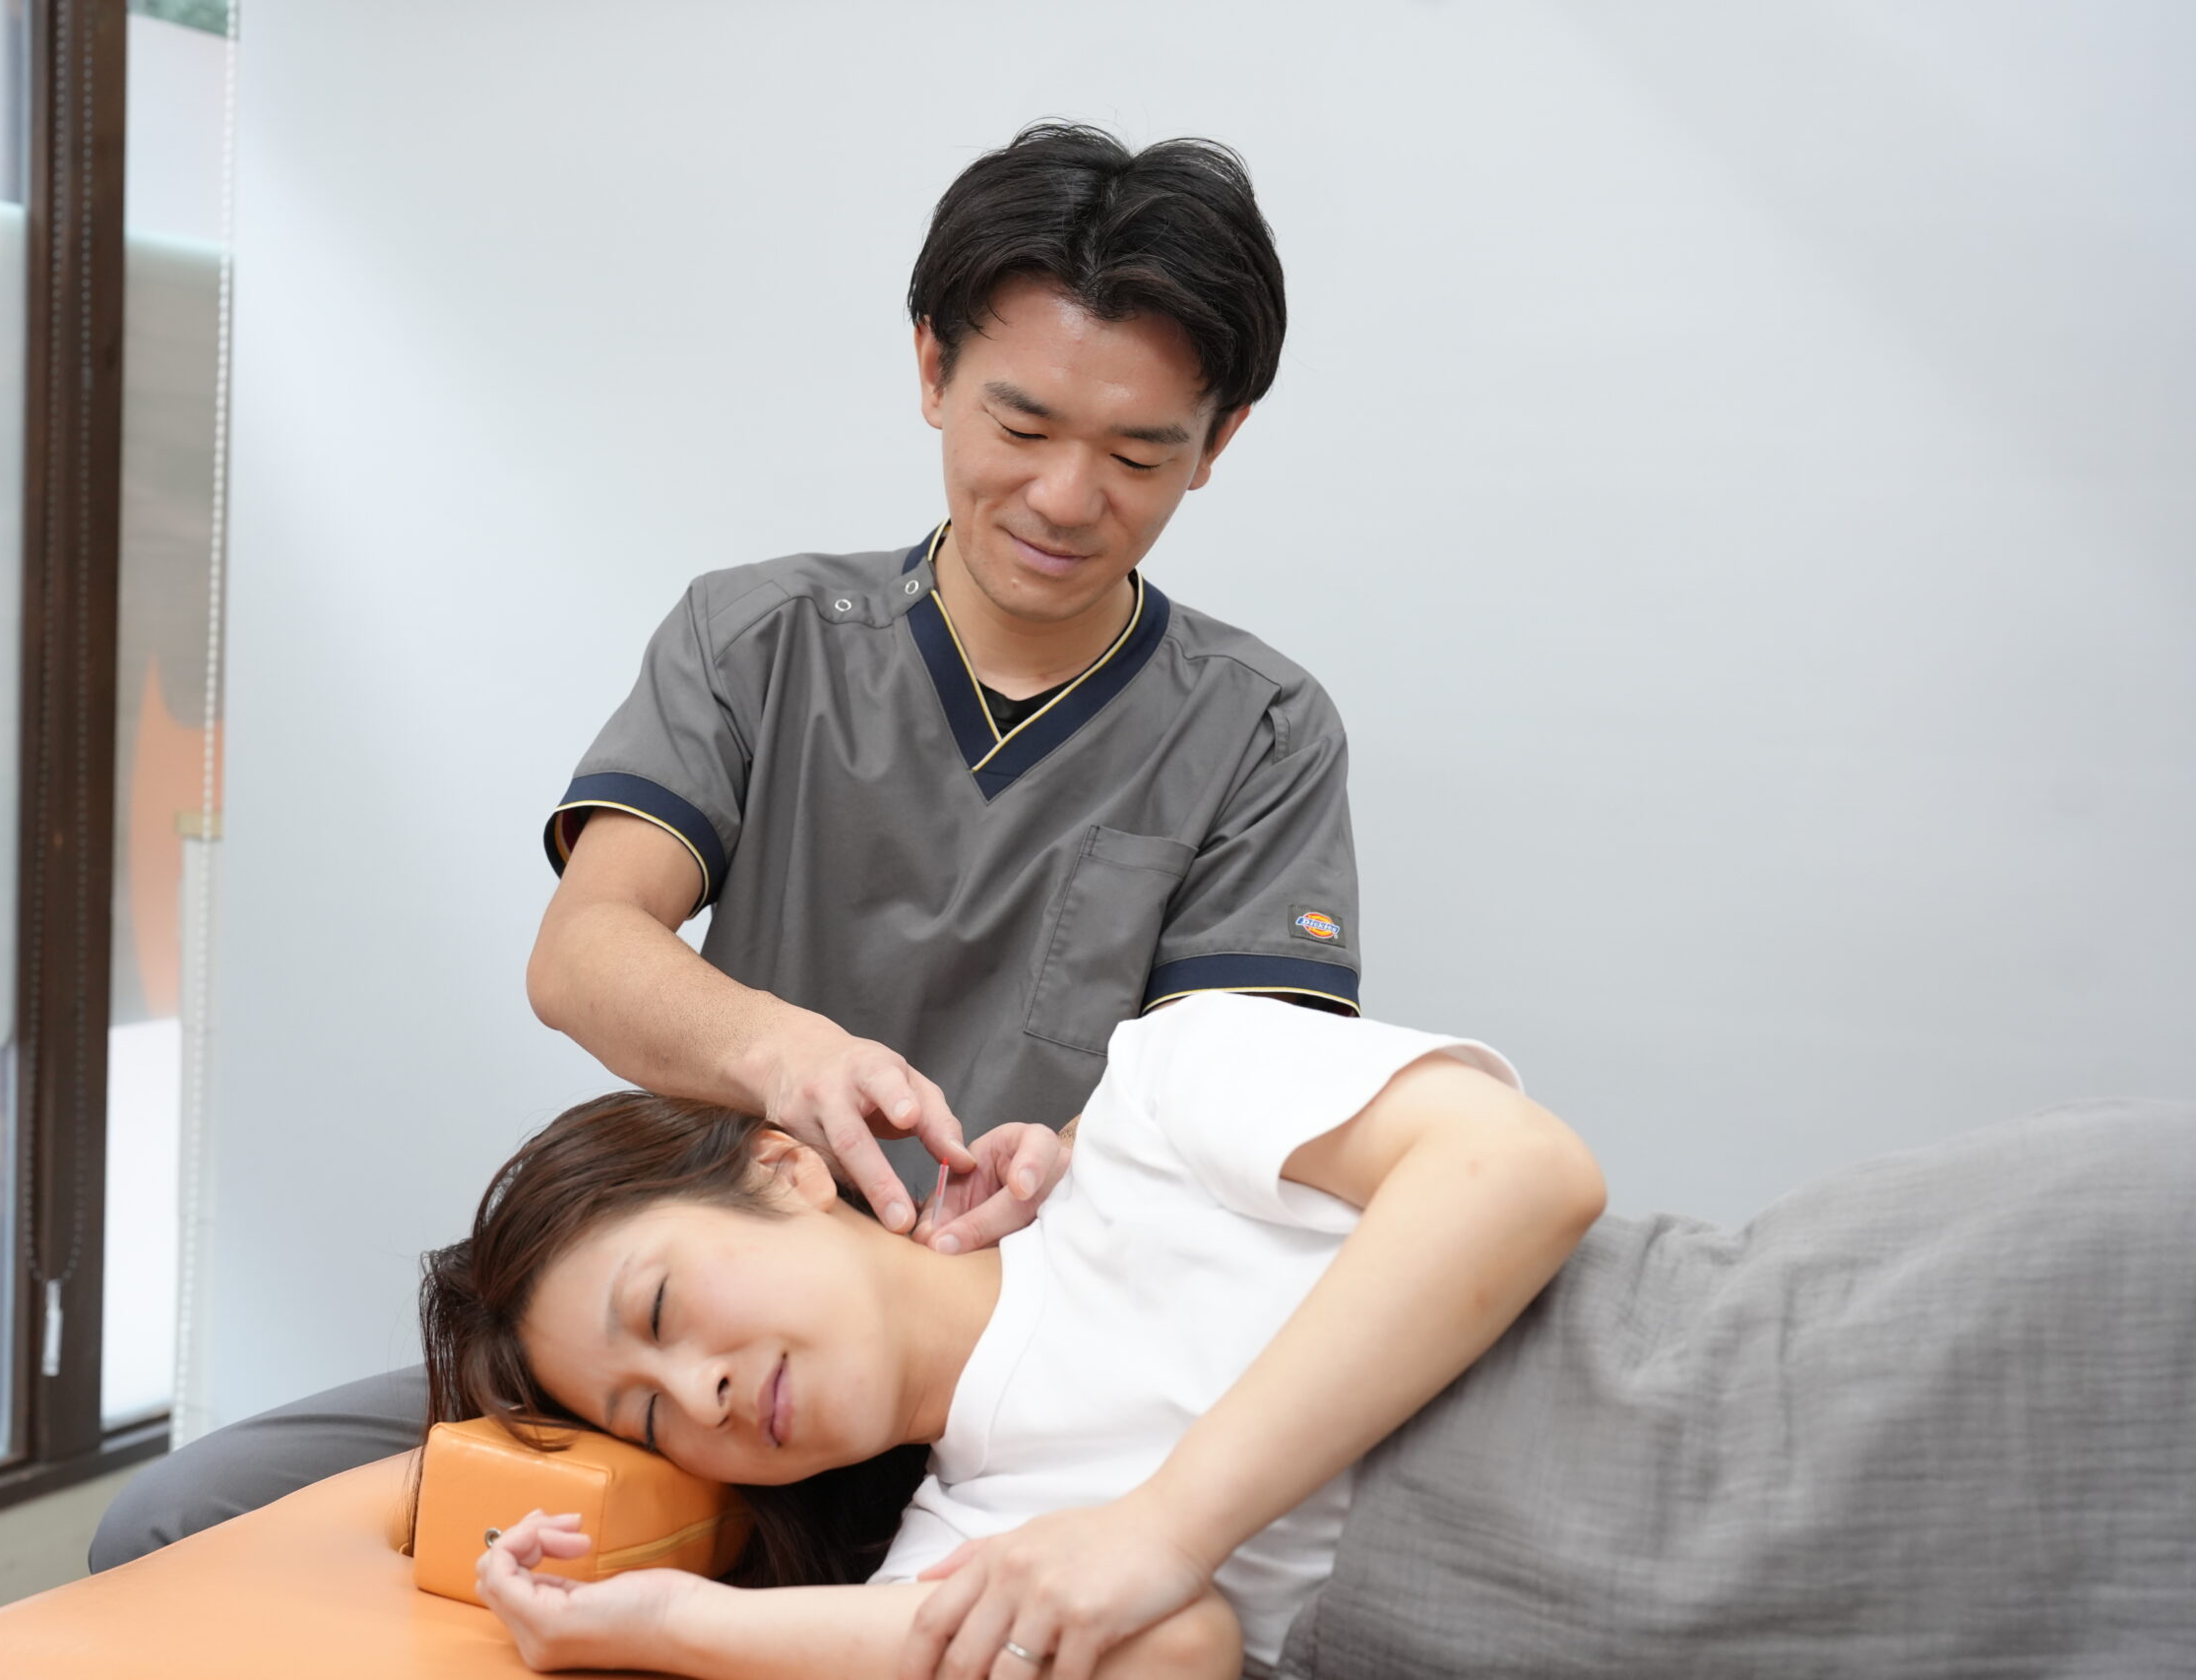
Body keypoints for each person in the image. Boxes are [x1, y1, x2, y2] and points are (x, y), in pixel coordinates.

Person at [96, 122, 1364, 1571]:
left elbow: (1248, 1099)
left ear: (1218, 444)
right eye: (1021, 430)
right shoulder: (758, 640)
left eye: (1139, 453)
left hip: (1021, 1378)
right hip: (725, 1349)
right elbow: (584, 952)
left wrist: (1055, 1171)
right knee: (180, 1519)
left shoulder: (1260, 729)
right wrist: (785, 1056)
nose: (1069, 498)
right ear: (932, 370)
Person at [423, 995, 2196, 1680]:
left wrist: (1167, 1518)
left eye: (666, 1313)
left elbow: (1519, 1172)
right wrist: (667, 1627)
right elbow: (1174, 1656)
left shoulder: (1152, 1102)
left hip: (1930, 1357)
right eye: (647, 1417)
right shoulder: (961, 1565)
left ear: (783, 1169)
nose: (702, 1394)